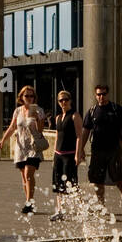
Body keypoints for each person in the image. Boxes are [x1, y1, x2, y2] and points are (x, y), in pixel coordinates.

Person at [77, 83, 122, 212]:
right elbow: (85, 131)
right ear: (95, 95)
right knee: (97, 179)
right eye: (98, 94)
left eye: (103, 94)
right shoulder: (92, 111)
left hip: (113, 149)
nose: (101, 96)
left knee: (118, 177)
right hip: (97, 150)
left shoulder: (115, 109)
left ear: (108, 94)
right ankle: (101, 205)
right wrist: (81, 149)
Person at [0, 85, 47, 214]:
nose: (29, 98)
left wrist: (37, 118)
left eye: (31, 96)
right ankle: (28, 201)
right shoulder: (18, 111)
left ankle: (29, 202)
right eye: (27, 96)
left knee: (28, 174)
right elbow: (12, 127)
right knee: (24, 177)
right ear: (21, 97)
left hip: (33, 147)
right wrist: (3, 140)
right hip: (21, 147)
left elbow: (40, 130)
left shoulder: (39, 110)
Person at [50, 90, 83, 220]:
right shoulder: (58, 117)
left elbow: (79, 136)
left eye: (66, 99)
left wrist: (78, 154)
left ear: (70, 100)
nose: (63, 102)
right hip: (58, 154)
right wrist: (54, 155)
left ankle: (82, 209)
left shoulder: (75, 116)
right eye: (61, 100)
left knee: (72, 183)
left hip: (69, 155)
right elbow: (57, 137)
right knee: (58, 184)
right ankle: (60, 211)